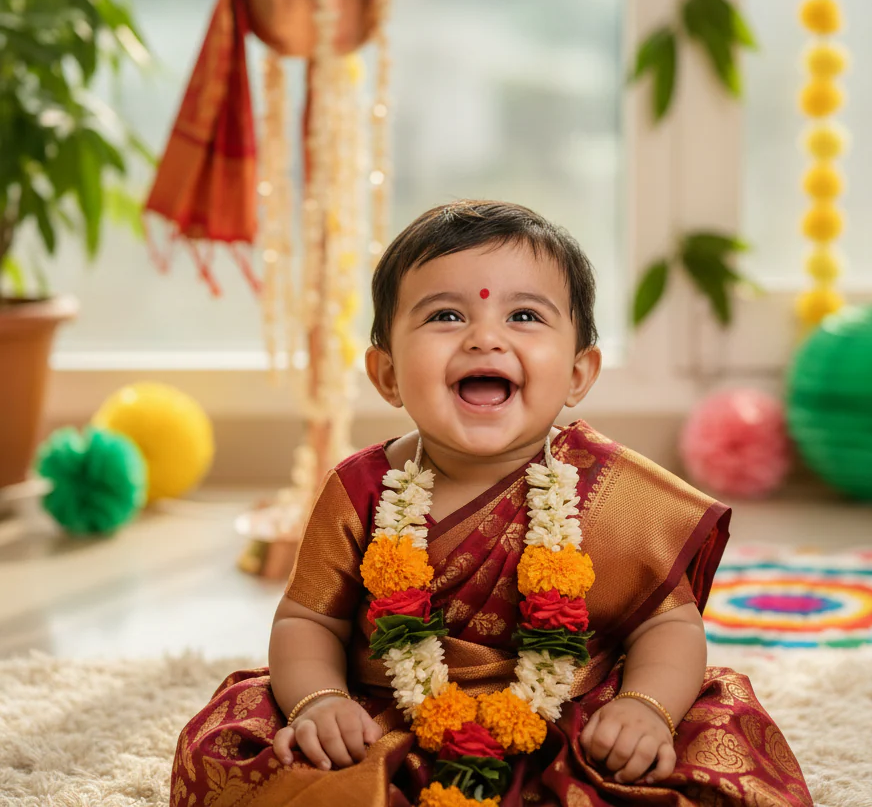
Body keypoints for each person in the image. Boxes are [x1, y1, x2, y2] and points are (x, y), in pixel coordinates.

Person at [171, 200, 811, 807]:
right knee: (243, 755)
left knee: (712, 756)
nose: (484, 338)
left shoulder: (610, 489)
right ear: (387, 374)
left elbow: (668, 625)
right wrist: (318, 703)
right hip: (387, 713)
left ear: (579, 373)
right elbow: (309, 622)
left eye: (524, 316)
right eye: (445, 316)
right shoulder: (362, 491)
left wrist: (645, 708)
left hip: (575, 715)